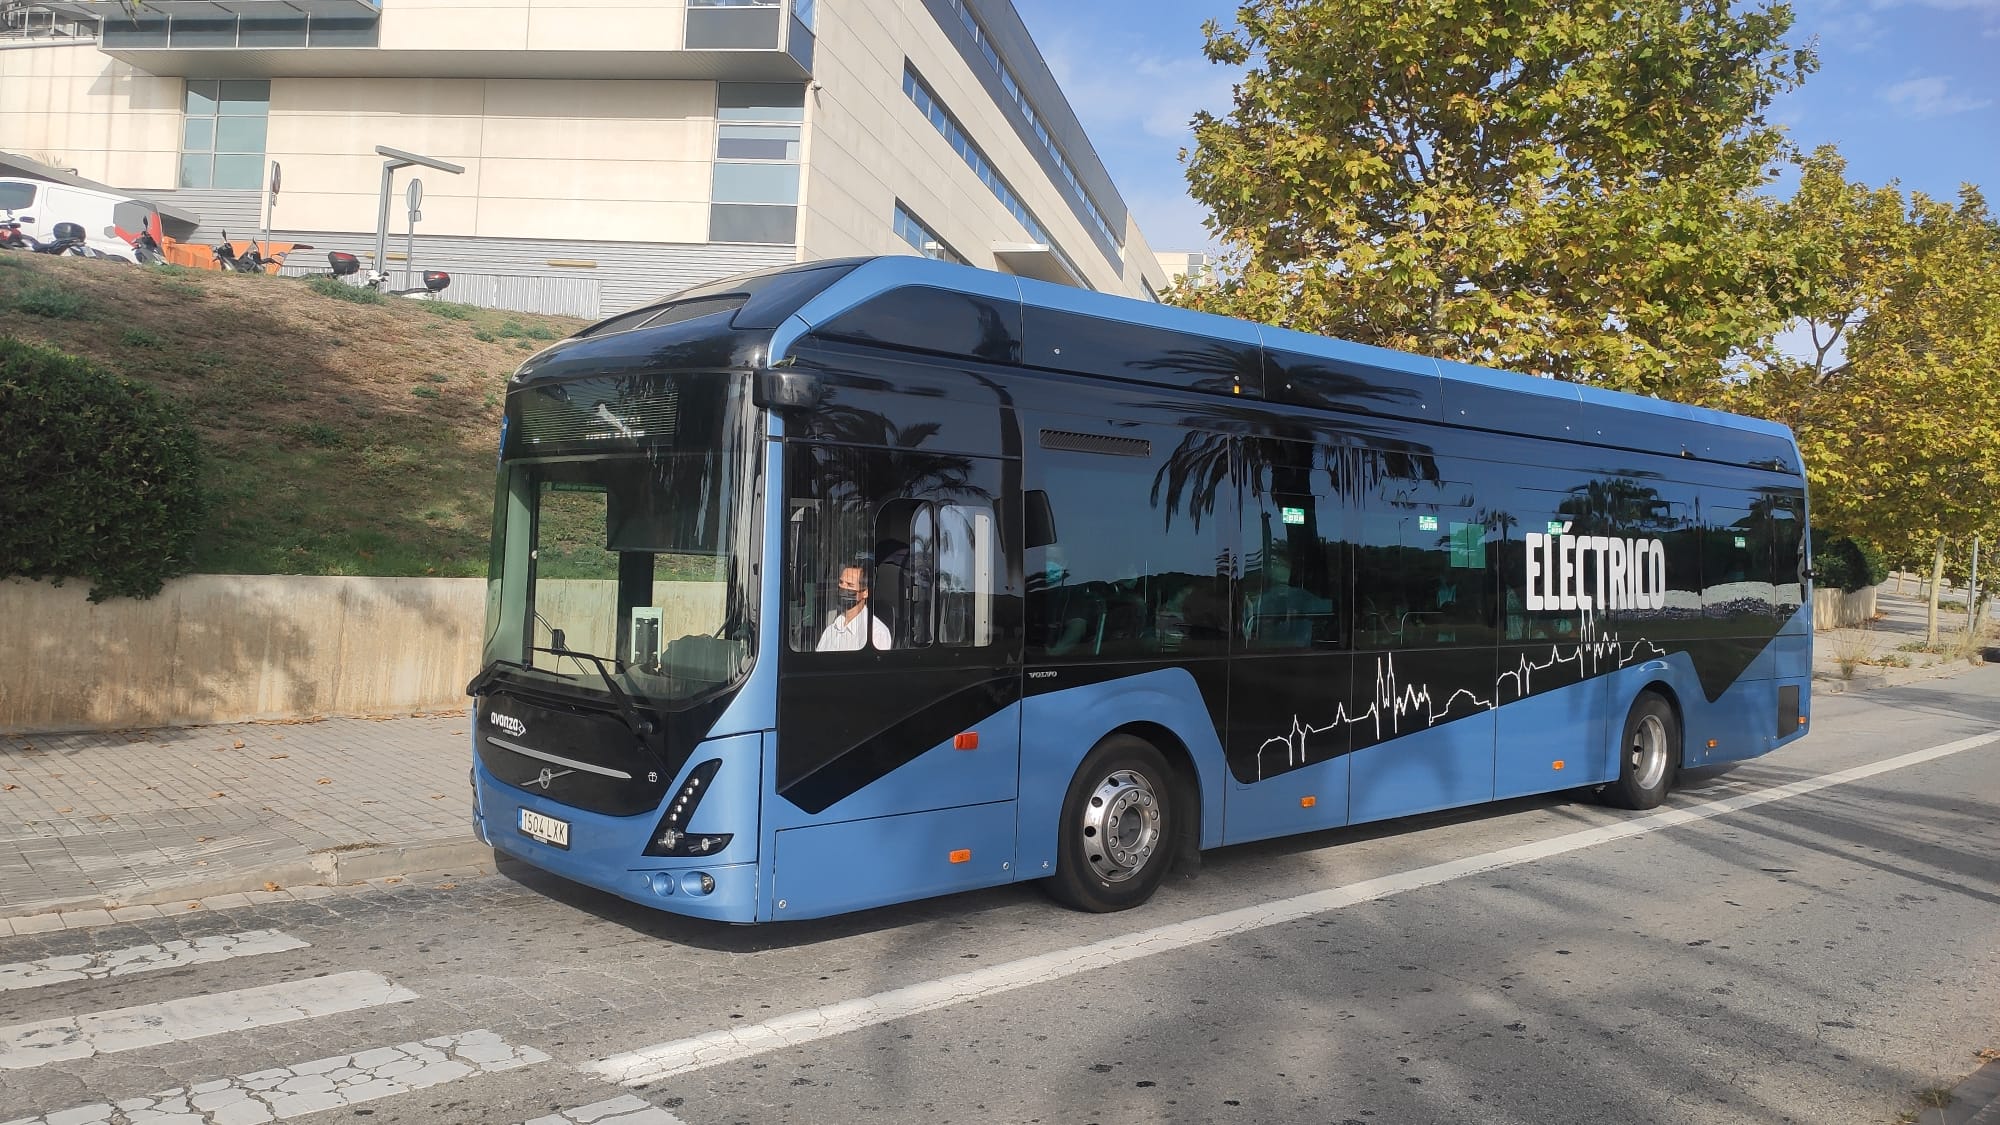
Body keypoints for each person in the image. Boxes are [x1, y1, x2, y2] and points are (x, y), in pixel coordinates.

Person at [816, 561, 892, 651]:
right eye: (841, 582)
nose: (843, 588)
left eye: (850, 585)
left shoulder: (876, 633)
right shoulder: (831, 630)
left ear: (865, 592)